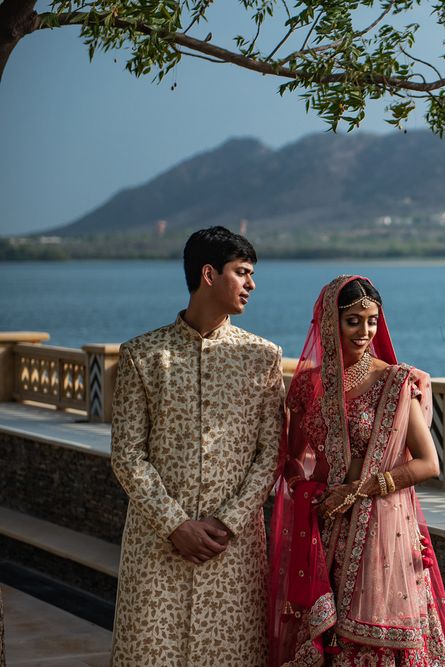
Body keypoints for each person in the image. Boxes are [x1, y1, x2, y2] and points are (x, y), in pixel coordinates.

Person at [110, 226, 285, 666]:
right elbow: (128, 455)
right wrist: (176, 525)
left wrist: (227, 522)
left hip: (232, 551)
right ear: (209, 274)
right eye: (242, 273)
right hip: (157, 546)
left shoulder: (261, 357)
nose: (252, 285)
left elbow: (272, 453)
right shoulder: (143, 356)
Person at [269, 275, 445, 667]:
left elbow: (428, 463)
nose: (364, 331)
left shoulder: (395, 382)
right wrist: (306, 490)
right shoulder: (308, 386)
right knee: (328, 637)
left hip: (383, 530)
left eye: (372, 320)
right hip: (324, 529)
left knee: (379, 643)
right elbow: (289, 457)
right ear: (329, 323)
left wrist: (357, 490)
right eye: (353, 321)